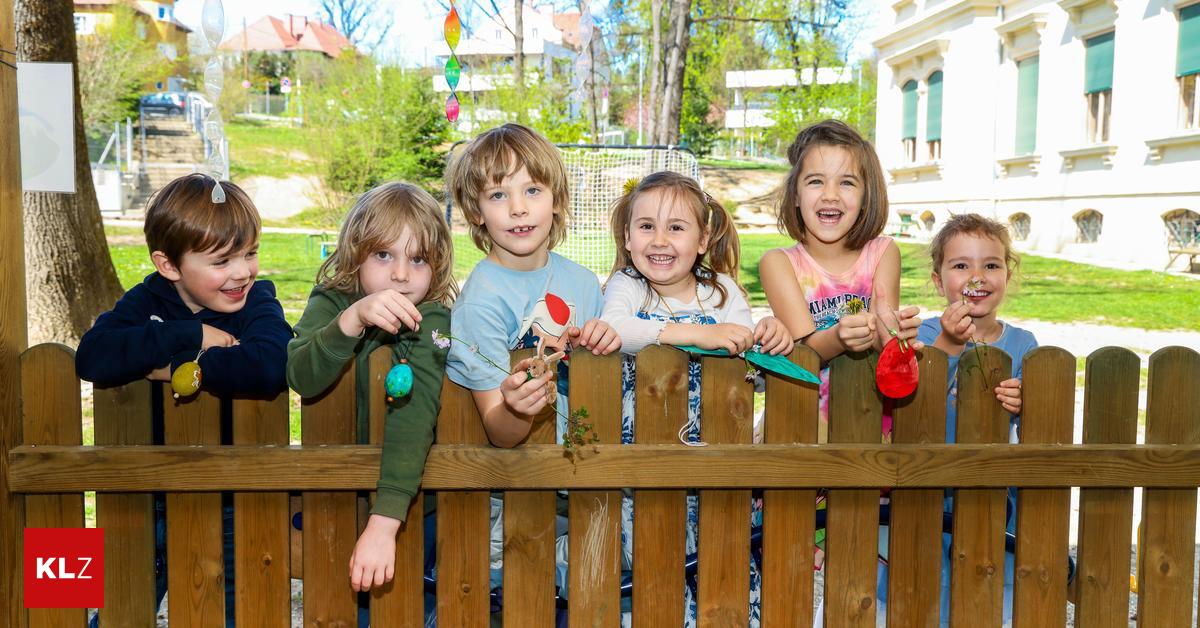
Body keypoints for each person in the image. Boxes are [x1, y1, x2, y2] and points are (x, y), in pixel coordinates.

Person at [76, 173, 292, 626]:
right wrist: (191, 333)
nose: (242, 272)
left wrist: (179, 369)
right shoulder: (146, 301)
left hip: (231, 497)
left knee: (232, 611)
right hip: (143, 495)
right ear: (169, 265)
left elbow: (272, 365)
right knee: (120, 608)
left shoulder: (259, 302)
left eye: (250, 253)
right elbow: (92, 357)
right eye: (222, 260)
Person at [601, 171, 792, 626]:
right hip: (639, 476)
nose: (659, 240)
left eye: (676, 227)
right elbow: (616, 331)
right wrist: (696, 334)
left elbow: (752, 371)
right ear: (627, 237)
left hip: (717, 475)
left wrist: (771, 340)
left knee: (723, 580)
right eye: (646, 226)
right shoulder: (627, 287)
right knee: (650, 583)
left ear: (703, 238)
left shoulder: (723, 295)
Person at [444, 122, 621, 603]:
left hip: (589, 481)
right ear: (476, 214)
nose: (518, 208)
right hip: (514, 494)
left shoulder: (584, 284)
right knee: (518, 597)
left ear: (557, 200)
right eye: (498, 195)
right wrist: (518, 407)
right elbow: (498, 430)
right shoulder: (480, 303)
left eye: (532, 189)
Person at [286, 182, 456, 596]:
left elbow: (413, 414)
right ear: (354, 253)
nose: (400, 274)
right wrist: (351, 320)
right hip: (332, 493)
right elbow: (300, 375)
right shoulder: (331, 300)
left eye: (418, 260)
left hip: (409, 506)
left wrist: (384, 524)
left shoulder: (430, 320)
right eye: (383, 255)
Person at [917, 212, 1036, 625]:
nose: (977, 275)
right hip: (930, 485)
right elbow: (916, 400)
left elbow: (1038, 423)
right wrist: (951, 343)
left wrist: (1026, 401)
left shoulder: (1024, 344)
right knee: (925, 581)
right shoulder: (926, 335)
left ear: (1007, 273)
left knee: (987, 580)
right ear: (938, 280)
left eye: (991, 264)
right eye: (961, 265)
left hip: (993, 491)